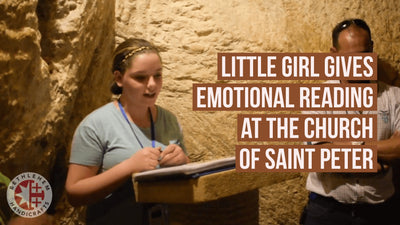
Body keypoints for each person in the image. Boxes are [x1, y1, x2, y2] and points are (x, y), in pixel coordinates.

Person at [65, 38, 190, 225]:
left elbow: (189, 176)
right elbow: (74, 193)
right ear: (119, 78)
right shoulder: (96, 124)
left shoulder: (169, 120)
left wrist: (184, 161)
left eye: (158, 75)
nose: (152, 85)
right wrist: (128, 167)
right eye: (140, 77)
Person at [300, 19, 400, 225]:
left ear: (372, 49)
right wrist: (375, 162)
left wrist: (349, 149)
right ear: (334, 55)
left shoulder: (395, 97)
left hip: (381, 213)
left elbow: (398, 148)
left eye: (365, 56)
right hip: (327, 212)